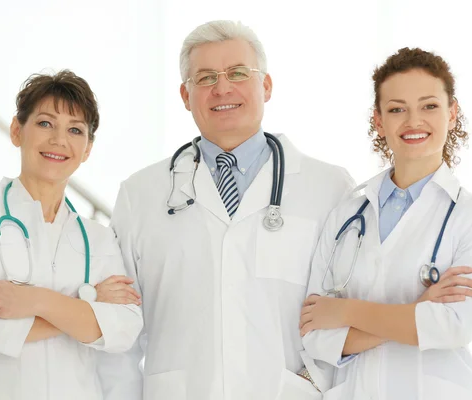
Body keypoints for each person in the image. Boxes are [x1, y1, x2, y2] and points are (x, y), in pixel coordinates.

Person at [96, 20, 354, 400]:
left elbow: (345, 314)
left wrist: (313, 385)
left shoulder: (330, 187)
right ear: (185, 96)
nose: (222, 88)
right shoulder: (141, 194)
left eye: (237, 73)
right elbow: (121, 327)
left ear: (265, 86)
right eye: (205, 78)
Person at [299, 47, 472, 400]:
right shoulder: (348, 212)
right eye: (397, 109)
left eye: (429, 106)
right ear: (378, 120)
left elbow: (453, 326)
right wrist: (415, 313)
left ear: (452, 113)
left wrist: (346, 311)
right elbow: (315, 334)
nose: (413, 121)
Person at [0, 70, 143, 400]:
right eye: (45, 123)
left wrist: (34, 301)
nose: (59, 140)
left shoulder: (100, 239)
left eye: (75, 130)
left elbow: (123, 330)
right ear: (17, 130)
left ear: (87, 148)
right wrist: (88, 304)